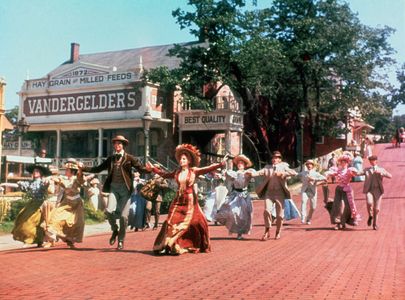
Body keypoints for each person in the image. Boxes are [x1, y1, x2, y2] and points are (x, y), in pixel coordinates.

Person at [145, 144, 227, 255]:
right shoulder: (177, 172)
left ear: (188, 160)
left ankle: (181, 244)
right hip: (178, 200)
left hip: (189, 200)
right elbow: (164, 174)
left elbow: (207, 169)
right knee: (171, 221)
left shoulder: (194, 171)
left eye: (184, 159)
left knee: (193, 222)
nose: (181, 161)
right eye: (180, 159)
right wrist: (153, 169)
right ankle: (169, 244)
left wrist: (220, 164)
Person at [79, 135, 149, 250]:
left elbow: (141, 168)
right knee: (108, 211)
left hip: (125, 190)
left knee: (123, 217)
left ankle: (121, 240)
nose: (117, 145)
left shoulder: (129, 158)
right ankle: (115, 230)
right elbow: (98, 168)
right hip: (114, 188)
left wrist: (153, 169)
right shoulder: (111, 159)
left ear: (123, 146)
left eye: (119, 144)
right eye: (115, 144)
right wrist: (84, 168)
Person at [250, 151, 297, 240]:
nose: (274, 159)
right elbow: (258, 173)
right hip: (269, 193)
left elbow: (294, 173)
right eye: (273, 158)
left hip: (280, 194)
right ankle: (267, 230)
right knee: (267, 211)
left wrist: (283, 174)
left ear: (280, 159)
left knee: (279, 215)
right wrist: (251, 173)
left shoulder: (284, 166)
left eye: (277, 158)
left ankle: (278, 231)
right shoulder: (267, 168)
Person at [43, 159, 87, 248]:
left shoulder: (77, 179)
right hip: (66, 203)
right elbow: (55, 179)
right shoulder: (63, 178)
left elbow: (81, 179)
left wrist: (81, 170)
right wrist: (48, 178)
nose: (65, 171)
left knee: (75, 224)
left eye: (67, 170)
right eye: (65, 170)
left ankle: (70, 242)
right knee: (54, 219)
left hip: (76, 205)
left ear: (72, 171)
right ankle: (51, 240)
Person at [10, 164, 51, 247]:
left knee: (33, 222)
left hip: (40, 204)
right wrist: (4, 184)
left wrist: (47, 183)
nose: (34, 172)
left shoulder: (42, 182)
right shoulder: (30, 182)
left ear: (40, 173)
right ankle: (34, 240)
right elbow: (18, 185)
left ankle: (33, 240)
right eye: (34, 171)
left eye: (37, 171)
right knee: (21, 218)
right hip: (32, 203)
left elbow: (47, 186)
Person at [216, 154, 255, 240]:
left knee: (243, 215)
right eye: (239, 163)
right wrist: (224, 162)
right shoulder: (234, 173)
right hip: (235, 195)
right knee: (233, 212)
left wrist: (250, 174)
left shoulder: (248, 172)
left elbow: (254, 174)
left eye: (242, 163)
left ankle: (240, 233)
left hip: (244, 196)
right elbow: (225, 173)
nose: (240, 164)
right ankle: (232, 227)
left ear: (244, 165)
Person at [325, 152, 360, 230]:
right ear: (340, 163)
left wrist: (355, 173)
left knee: (348, 206)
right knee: (338, 205)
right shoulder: (338, 170)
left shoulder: (349, 170)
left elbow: (356, 172)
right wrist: (326, 174)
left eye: (345, 162)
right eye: (342, 162)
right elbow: (331, 172)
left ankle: (345, 221)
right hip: (339, 189)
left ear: (347, 163)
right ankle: (338, 223)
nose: (343, 163)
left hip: (347, 189)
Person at [360, 155, 392, 230]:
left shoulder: (381, 169)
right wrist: (352, 171)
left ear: (376, 161)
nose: (372, 162)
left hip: (378, 190)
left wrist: (381, 173)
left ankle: (375, 224)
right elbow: (359, 173)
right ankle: (370, 215)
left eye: (373, 160)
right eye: (370, 161)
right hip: (369, 190)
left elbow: (390, 176)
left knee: (377, 209)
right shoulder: (367, 170)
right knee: (369, 202)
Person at [297, 159, 326, 225]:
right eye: (308, 164)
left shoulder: (316, 173)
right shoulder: (303, 173)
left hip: (312, 191)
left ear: (312, 165)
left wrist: (314, 179)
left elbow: (324, 178)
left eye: (310, 164)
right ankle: (303, 217)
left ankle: (308, 218)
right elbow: (296, 175)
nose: (309, 165)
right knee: (303, 201)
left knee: (313, 207)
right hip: (305, 190)